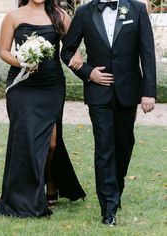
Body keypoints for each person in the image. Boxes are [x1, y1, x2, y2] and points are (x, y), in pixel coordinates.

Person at [61, 0, 156, 226]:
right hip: (98, 93)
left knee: (124, 145)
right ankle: (108, 208)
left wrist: (148, 92)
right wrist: (87, 72)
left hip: (128, 91)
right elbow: (67, 51)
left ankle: (116, 190)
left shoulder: (137, 9)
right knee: (104, 147)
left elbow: (148, 52)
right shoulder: (84, 12)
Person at [0, 0, 86, 218]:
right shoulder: (13, 16)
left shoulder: (60, 15)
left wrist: (77, 55)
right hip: (22, 84)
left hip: (51, 85)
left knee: (51, 142)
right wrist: (22, 61)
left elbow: (71, 46)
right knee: (26, 137)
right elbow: (3, 51)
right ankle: (27, 196)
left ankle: (51, 179)